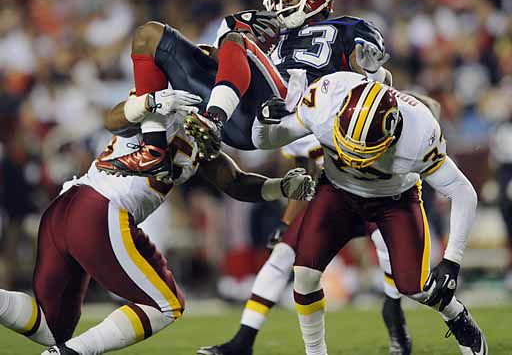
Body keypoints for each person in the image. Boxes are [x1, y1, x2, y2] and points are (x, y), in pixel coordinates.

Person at [0, 91, 315, 355]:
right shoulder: (163, 102)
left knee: (50, 327)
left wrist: (281, 187)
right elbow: (114, 118)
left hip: (65, 208)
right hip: (99, 210)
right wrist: (148, 102)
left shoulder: (197, 134)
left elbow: (235, 182)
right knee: (166, 304)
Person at [251, 72, 488, 355]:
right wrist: (261, 120)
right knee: (304, 274)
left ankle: (456, 315)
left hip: (393, 200)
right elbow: (264, 140)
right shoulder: (327, 99)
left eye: (364, 152)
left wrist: (452, 261)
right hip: (337, 190)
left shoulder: (419, 132)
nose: (354, 158)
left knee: (416, 286)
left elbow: (463, 192)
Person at [95, 0, 391, 176]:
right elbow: (217, 58)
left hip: (285, 108)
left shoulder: (348, 26)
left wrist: (373, 72)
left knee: (238, 39)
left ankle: (212, 119)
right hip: (241, 108)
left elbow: (373, 83)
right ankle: (153, 149)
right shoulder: (269, 29)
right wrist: (228, 29)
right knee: (150, 35)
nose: (281, 0)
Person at [197, 134, 412, 355]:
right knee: (282, 256)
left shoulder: (344, 104)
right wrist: (286, 222)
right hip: (329, 201)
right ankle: (243, 340)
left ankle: (394, 314)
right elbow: (304, 178)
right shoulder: (295, 122)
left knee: (387, 243)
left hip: (369, 191)